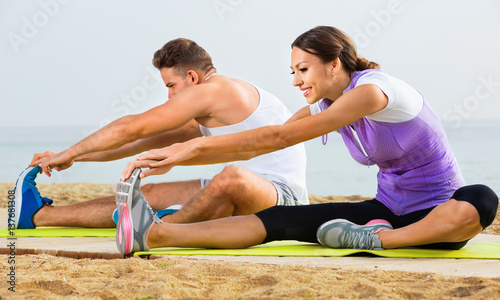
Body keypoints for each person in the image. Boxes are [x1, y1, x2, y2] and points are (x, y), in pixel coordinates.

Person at [116, 26, 498, 254]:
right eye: (293, 71)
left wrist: (193, 146)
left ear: (335, 63)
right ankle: (157, 233)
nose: (296, 81)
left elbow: (281, 134)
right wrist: (179, 152)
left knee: (481, 199)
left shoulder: (373, 91)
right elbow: (263, 141)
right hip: (387, 209)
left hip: (438, 218)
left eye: (303, 69)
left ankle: (379, 242)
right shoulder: (329, 103)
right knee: (280, 218)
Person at [9, 38, 308, 230]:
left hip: (283, 197)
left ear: (192, 77)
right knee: (146, 195)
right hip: (250, 191)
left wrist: (70, 152)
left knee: (231, 177)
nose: (169, 97)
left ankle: (159, 229)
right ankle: (37, 216)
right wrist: (75, 157)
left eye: (170, 86)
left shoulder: (216, 90)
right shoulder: (211, 112)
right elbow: (136, 141)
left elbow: (131, 126)